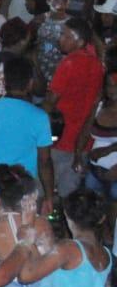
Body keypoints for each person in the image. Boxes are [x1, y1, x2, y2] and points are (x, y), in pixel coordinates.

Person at [0, 54, 55, 210]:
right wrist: (49, 197)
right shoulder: (39, 117)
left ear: (4, 82)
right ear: (30, 83)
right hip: (25, 189)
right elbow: (45, 161)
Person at [43, 17, 104, 198]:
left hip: (61, 138)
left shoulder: (69, 64)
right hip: (83, 140)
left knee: (48, 189)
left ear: (79, 40)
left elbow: (50, 101)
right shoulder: (97, 64)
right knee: (71, 193)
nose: (60, 39)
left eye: (65, 35)